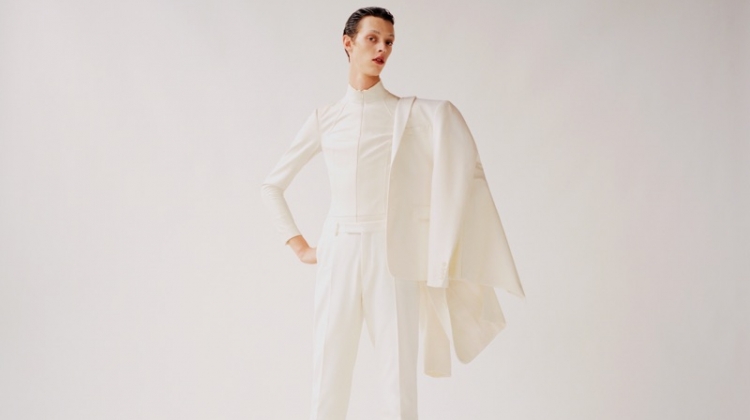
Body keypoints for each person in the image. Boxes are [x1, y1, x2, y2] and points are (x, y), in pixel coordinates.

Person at [261, 7, 524, 420]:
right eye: (372, 39)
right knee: (329, 373)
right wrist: (300, 246)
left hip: (393, 255)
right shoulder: (325, 119)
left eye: (389, 42)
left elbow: (457, 155)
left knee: (398, 378)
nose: (382, 48)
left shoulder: (412, 114)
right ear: (348, 44)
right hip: (338, 251)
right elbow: (272, 186)